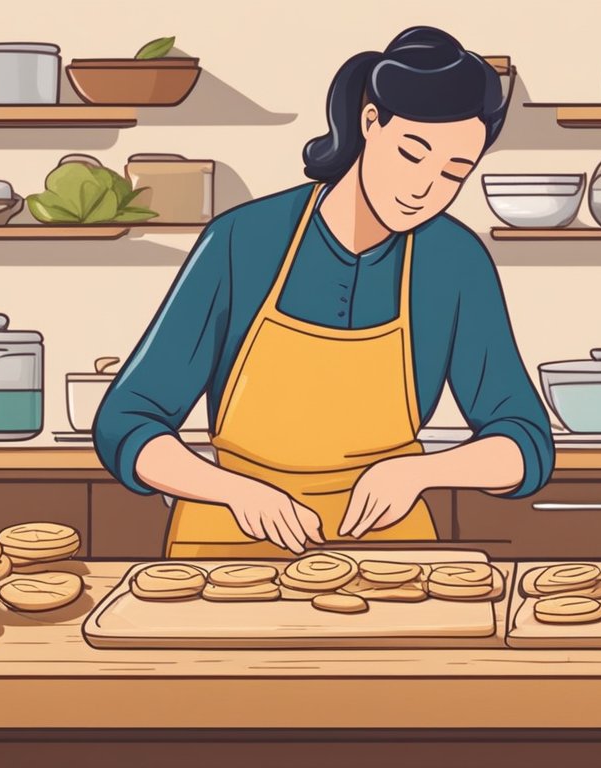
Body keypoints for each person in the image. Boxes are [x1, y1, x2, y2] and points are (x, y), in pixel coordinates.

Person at [94, 26, 552, 558]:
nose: (425, 190)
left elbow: (525, 442)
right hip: (229, 543)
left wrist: (420, 473)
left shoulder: (453, 261)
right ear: (370, 122)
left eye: (454, 173)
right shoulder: (244, 241)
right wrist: (236, 491)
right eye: (412, 155)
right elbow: (127, 421)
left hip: (387, 554)